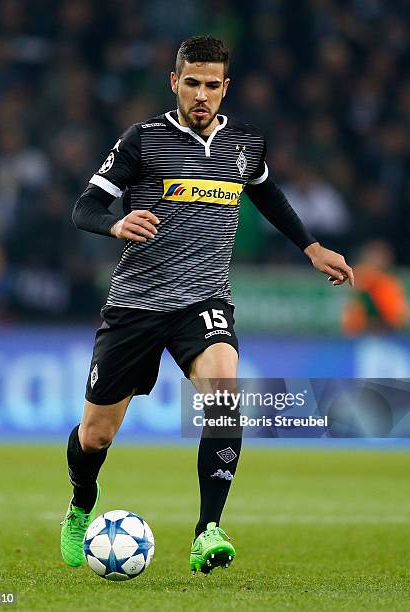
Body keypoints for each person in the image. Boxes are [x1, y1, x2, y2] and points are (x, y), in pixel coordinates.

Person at [60, 36, 354, 575]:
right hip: (137, 304)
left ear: (226, 88)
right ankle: (81, 503)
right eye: (191, 82)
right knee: (95, 434)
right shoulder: (143, 140)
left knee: (223, 397)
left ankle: (207, 531)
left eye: (211, 85)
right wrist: (116, 223)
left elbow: (264, 192)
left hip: (204, 299)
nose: (201, 94)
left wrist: (310, 247)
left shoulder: (246, 142)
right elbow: (86, 206)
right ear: (175, 82)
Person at [342, 240, 408, 336]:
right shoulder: (361, 276)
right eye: (375, 255)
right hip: (362, 331)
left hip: (386, 331)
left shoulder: (389, 281)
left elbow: (398, 313)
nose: (380, 260)